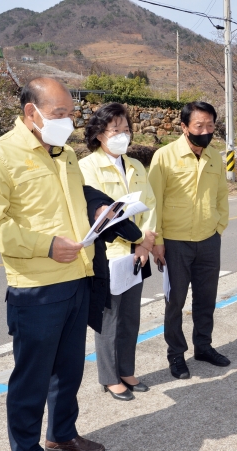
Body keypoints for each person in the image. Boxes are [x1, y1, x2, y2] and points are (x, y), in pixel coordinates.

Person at [0, 77, 105, 451]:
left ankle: (62, 433)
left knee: (69, 371)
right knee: (31, 380)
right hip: (36, 288)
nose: (69, 122)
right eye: (59, 113)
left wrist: (99, 212)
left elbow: (74, 202)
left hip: (78, 277)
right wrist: (45, 245)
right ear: (32, 112)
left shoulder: (65, 154)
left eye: (71, 114)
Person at [80, 102, 157, 401]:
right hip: (109, 256)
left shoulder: (136, 166)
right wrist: (136, 240)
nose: (122, 136)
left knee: (130, 317)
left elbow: (150, 206)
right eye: (115, 130)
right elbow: (102, 217)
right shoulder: (87, 168)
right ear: (99, 134)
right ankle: (109, 377)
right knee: (109, 320)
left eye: (126, 130)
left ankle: (126, 369)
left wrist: (145, 242)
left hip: (137, 254)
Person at [148, 101, 230, 380]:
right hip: (174, 242)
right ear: (184, 127)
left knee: (206, 299)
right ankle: (175, 354)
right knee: (175, 302)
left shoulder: (215, 157)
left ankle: (203, 347)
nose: (205, 131)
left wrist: (219, 226)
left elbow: (221, 195)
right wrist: (157, 240)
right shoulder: (164, 156)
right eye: (199, 125)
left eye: (210, 125)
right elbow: (153, 201)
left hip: (209, 240)